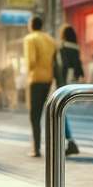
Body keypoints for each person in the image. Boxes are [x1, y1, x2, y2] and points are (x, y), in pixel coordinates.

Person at [23, 15, 56, 157]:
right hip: (49, 79)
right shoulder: (50, 39)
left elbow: (30, 61)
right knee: (49, 113)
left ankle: (36, 148)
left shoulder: (30, 39)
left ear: (31, 25)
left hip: (35, 79)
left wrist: (29, 74)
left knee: (34, 116)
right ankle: (53, 145)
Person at [54, 24, 84, 156]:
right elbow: (78, 67)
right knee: (62, 111)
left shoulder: (62, 47)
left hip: (63, 82)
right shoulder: (76, 48)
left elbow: (60, 66)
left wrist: (58, 83)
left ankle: (69, 141)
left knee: (59, 111)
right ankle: (69, 141)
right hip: (73, 83)